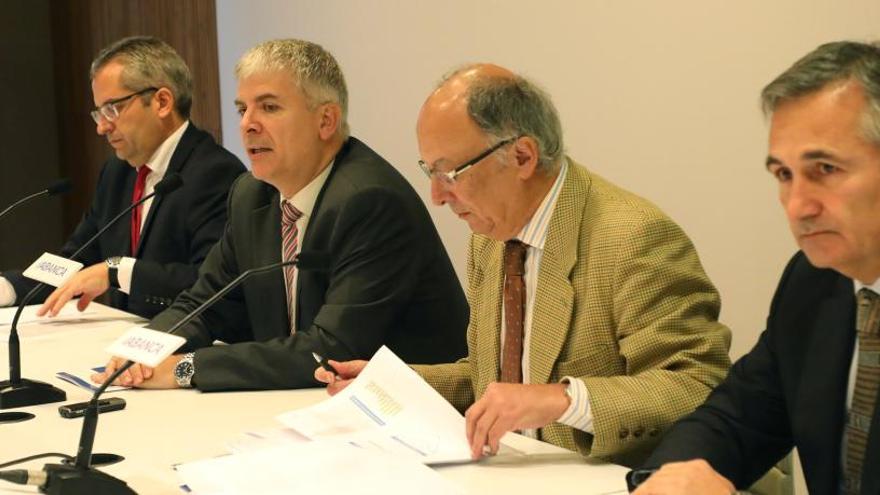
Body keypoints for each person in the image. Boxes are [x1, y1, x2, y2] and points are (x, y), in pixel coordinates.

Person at [317, 64, 731, 467]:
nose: (437, 196)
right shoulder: (490, 238)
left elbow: (696, 385)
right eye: (430, 171)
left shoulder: (631, 238)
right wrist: (397, 383)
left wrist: (563, 399)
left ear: (522, 156)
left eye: (450, 173)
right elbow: (495, 384)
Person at [92, 39, 468, 391]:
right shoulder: (251, 195)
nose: (248, 124)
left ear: (326, 121)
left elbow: (329, 348)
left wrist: (185, 368)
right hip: (306, 405)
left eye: (269, 107)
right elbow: (205, 303)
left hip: (408, 418)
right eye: (243, 109)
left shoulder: (370, 201)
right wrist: (143, 351)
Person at [633, 41, 880, 495]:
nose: (797, 206)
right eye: (784, 175)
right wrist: (665, 480)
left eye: (824, 168)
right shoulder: (814, 281)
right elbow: (738, 415)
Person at [0, 36, 245, 319]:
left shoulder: (217, 173)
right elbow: (75, 259)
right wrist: (9, 287)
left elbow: (211, 282)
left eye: (112, 109)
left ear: (162, 102)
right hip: (121, 340)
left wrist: (117, 270)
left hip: (183, 344)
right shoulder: (117, 173)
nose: (101, 127)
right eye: (98, 113)